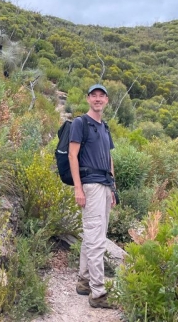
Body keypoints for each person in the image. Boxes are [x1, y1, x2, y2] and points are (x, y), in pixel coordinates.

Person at [68, 83, 116, 309]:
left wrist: (113, 188)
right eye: (94, 96)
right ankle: (98, 293)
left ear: (106, 100)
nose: (98, 99)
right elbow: (72, 155)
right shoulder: (80, 123)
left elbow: (109, 158)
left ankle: (85, 282)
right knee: (96, 239)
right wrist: (78, 188)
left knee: (94, 235)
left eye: (101, 96)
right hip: (91, 186)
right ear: (88, 99)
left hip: (105, 186)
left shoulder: (104, 127)